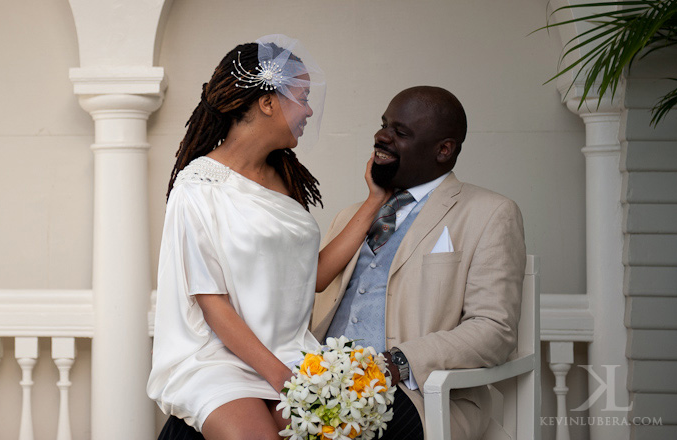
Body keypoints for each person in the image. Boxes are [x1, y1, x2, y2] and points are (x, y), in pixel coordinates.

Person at [147, 35, 389, 440]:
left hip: (292, 355)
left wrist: (374, 201)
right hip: (215, 360)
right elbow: (212, 304)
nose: (310, 109)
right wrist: (286, 381)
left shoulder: (284, 179)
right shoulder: (197, 186)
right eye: (302, 95)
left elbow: (310, 278)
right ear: (268, 101)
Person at [311, 86, 527, 440]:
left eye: (400, 132)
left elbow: (494, 329)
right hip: (318, 382)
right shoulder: (350, 217)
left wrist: (395, 363)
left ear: (444, 149)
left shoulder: (489, 213)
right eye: (384, 125)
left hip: (418, 396)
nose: (381, 136)